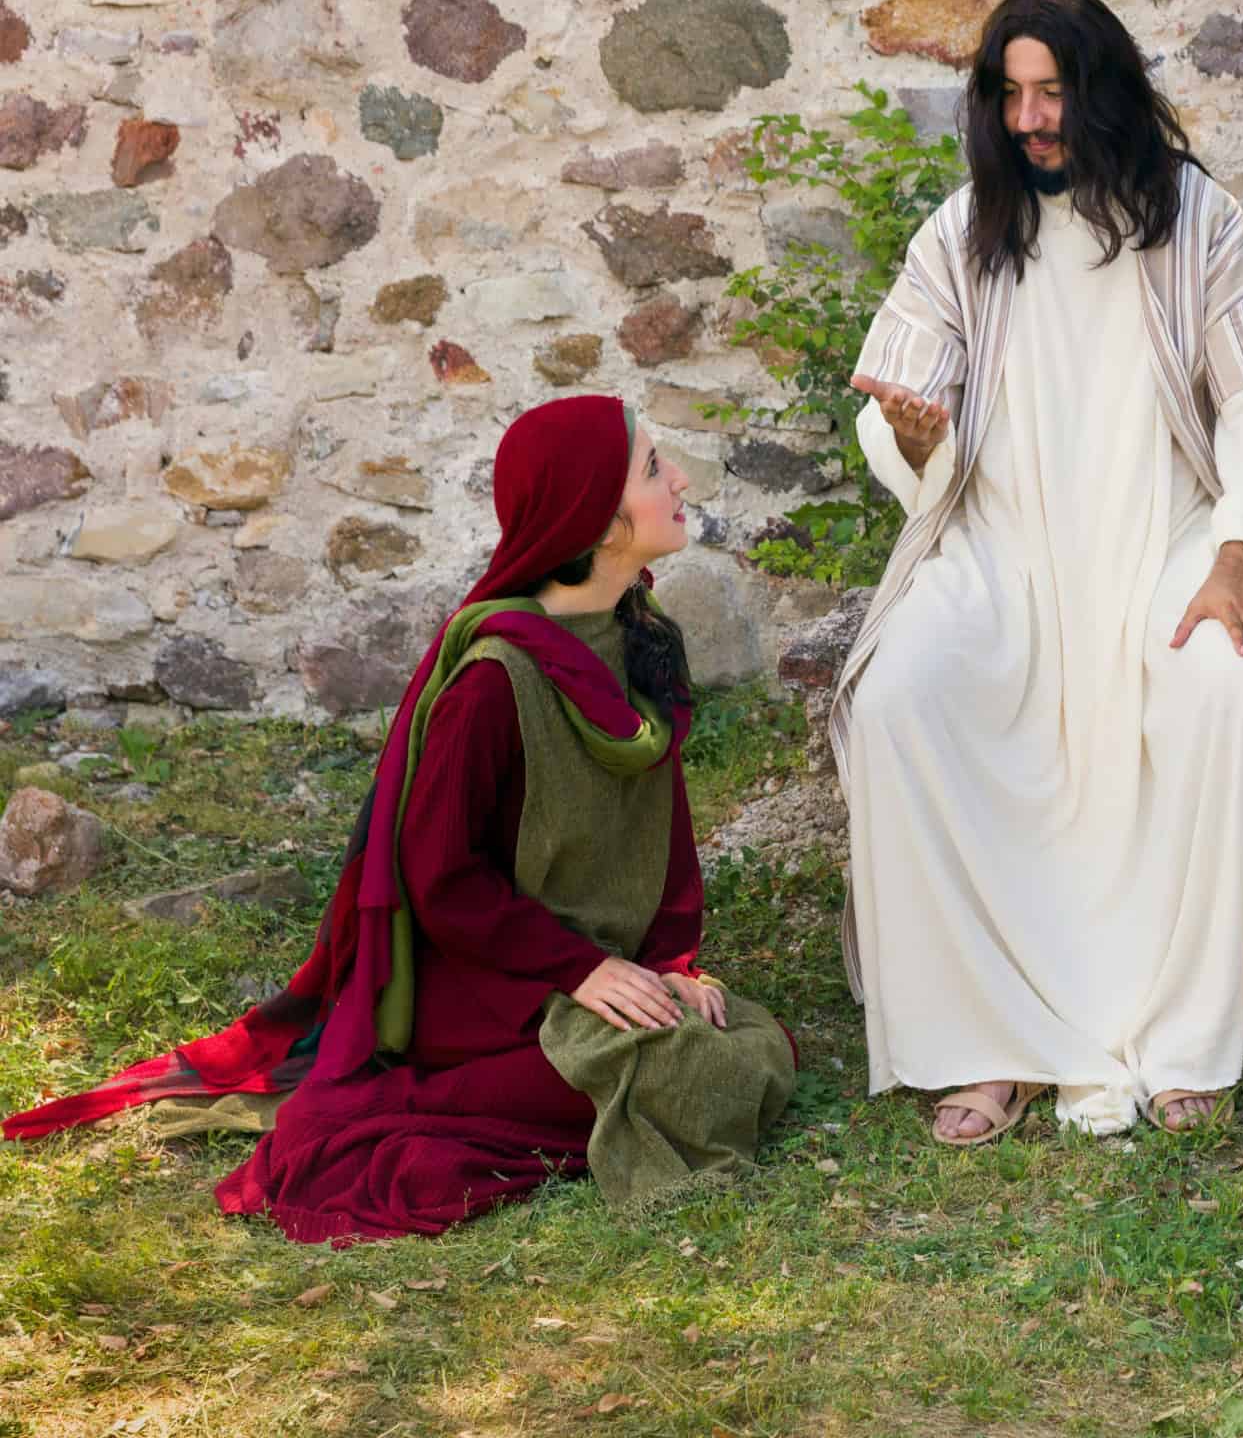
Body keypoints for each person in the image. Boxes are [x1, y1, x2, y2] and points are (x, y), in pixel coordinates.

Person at [5, 396, 796, 1242]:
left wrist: (671, 967)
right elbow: (444, 881)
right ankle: (391, 1108)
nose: (677, 478)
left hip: (591, 978)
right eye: (651, 468)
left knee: (747, 1041)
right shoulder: (494, 683)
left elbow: (663, 847)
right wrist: (582, 972)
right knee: (692, 1068)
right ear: (597, 520)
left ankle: (603, 1076)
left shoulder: (637, 640)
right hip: (496, 992)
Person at [827, 0, 1243, 1144]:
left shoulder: (1198, 221)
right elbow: (901, 421)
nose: (1030, 119)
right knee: (902, 695)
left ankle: (1186, 1034)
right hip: (999, 553)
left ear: (1100, 88)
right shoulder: (963, 230)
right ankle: (985, 1039)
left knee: (1234, 687)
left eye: (1051, 92)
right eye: (1009, 95)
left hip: (1166, 544)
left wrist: (1238, 553)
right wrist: (911, 437)